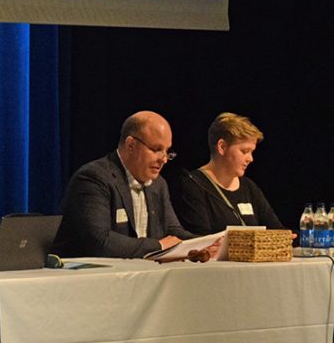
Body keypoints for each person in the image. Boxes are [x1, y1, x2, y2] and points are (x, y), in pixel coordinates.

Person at [52, 110, 194, 258]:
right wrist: (158, 246)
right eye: (156, 149)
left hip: (140, 270)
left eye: (167, 151)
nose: (163, 159)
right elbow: (99, 242)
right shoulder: (93, 178)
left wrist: (204, 244)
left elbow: (173, 232)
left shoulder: (158, 184)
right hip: (89, 271)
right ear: (131, 145)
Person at [175, 112, 285, 235]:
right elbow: (201, 239)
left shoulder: (249, 187)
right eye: (244, 151)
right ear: (222, 147)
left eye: (252, 152)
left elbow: (276, 231)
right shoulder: (193, 185)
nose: (250, 159)